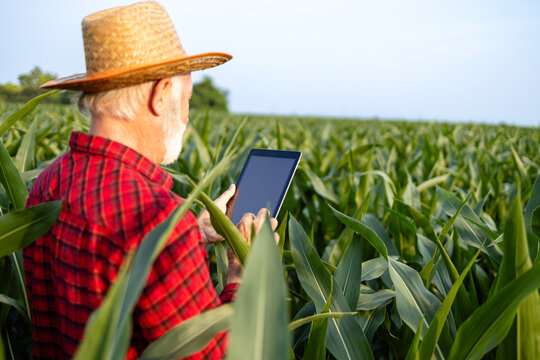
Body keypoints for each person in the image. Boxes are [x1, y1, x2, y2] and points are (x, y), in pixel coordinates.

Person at [23, 1, 278, 359]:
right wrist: (243, 276)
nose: (187, 117)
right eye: (186, 100)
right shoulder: (156, 219)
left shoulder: (50, 181)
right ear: (160, 95)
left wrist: (195, 232)